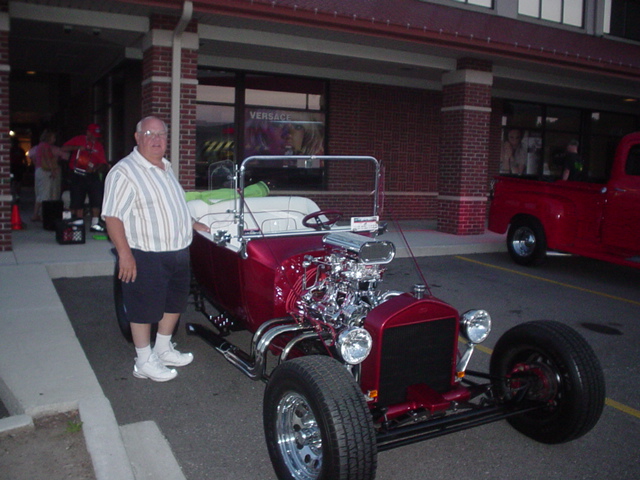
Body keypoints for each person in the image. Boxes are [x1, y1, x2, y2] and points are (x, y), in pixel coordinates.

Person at [102, 116, 210, 382]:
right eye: (149, 133)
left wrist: (192, 223)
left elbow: (171, 204)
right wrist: (125, 254)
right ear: (137, 138)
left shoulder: (165, 167)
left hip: (178, 251)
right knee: (143, 308)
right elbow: (112, 217)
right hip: (145, 253)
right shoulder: (124, 171)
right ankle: (143, 361)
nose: (156, 139)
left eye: (161, 134)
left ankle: (162, 349)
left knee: (174, 302)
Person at [62, 124, 109, 232]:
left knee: (96, 197)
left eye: (97, 135)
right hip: (78, 173)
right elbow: (64, 148)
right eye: (93, 135)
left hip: (92, 174)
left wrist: (95, 168)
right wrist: (77, 148)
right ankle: (79, 222)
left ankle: (95, 223)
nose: (95, 137)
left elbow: (103, 162)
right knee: (78, 198)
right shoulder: (79, 139)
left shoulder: (98, 146)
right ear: (88, 132)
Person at [28, 130, 68, 222]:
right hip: (45, 171)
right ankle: (43, 215)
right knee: (45, 194)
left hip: (39, 170)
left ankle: (36, 214)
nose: (54, 139)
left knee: (40, 193)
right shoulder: (46, 146)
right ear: (49, 138)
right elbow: (47, 158)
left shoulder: (39, 146)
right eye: (53, 137)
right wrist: (53, 170)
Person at [10, 137, 27, 202]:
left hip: (13, 167)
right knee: (18, 181)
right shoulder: (20, 150)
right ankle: (17, 195)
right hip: (18, 167)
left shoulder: (11, 150)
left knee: (13, 181)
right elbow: (25, 160)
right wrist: (26, 167)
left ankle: (15, 195)